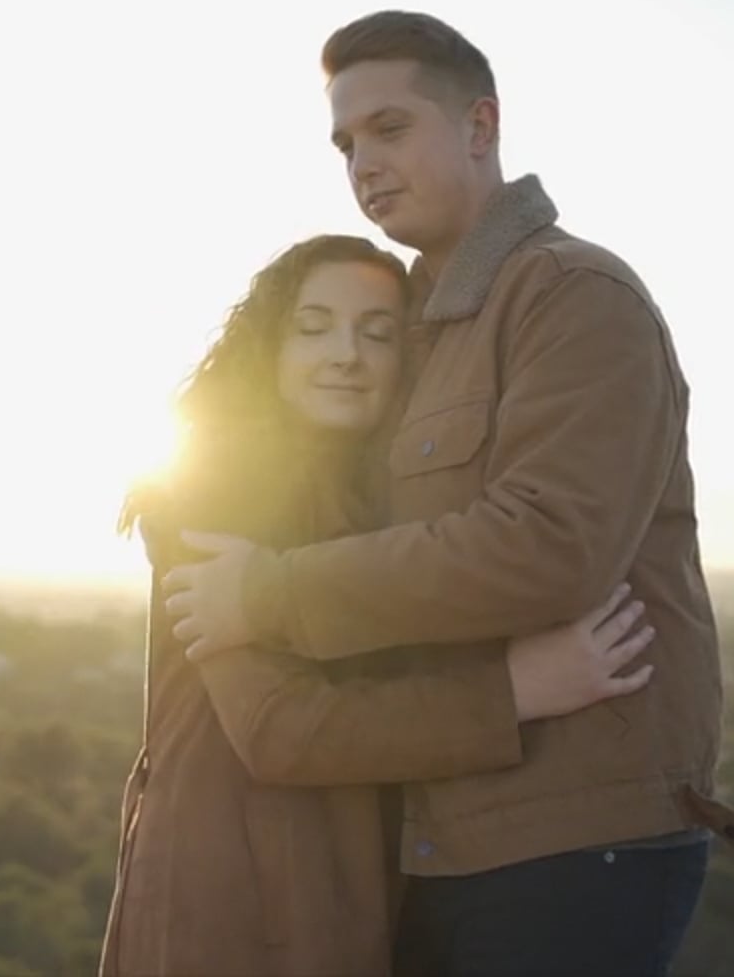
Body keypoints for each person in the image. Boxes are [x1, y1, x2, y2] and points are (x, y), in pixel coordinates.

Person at [161, 11, 734, 976]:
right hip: (448, 837)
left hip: (573, 836)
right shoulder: (418, 333)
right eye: (347, 143)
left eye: (391, 129)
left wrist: (268, 592)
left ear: (480, 126)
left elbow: (550, 546)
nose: (363, 164)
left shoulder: (573, 295)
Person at [98, 234, 662, 977]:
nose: (346, 354)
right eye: (313, 327)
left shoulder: (389, 505)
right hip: (231, 901)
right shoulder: (209, 491)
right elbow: (278, 731)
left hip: (350, 883)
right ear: (269, 346)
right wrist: (514, 691)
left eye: (378, 334)